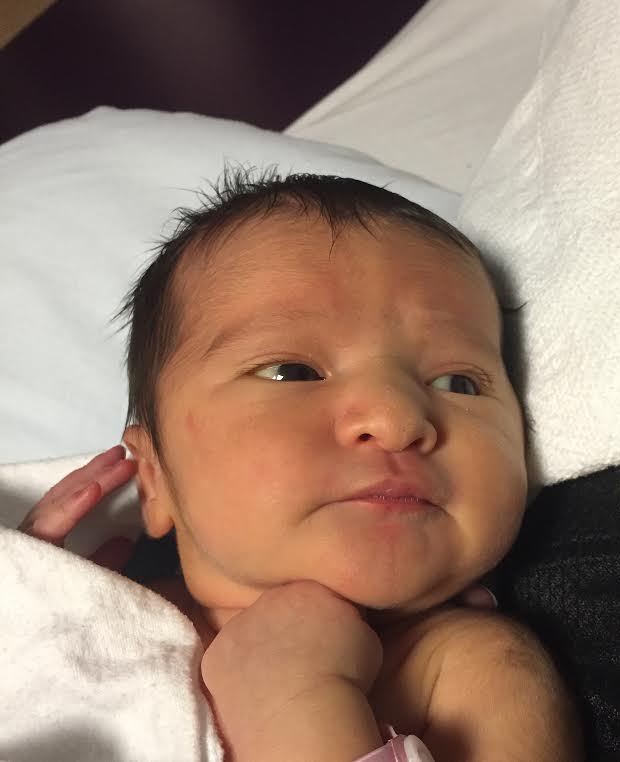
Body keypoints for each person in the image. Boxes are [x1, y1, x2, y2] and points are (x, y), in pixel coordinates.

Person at [19, 170, 581, 761]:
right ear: (155, 481)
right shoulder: (90, 628)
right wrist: (29, 603)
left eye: (457, 382)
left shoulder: (474, 675)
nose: (396, 418)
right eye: (293, 372)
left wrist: (295, 702)